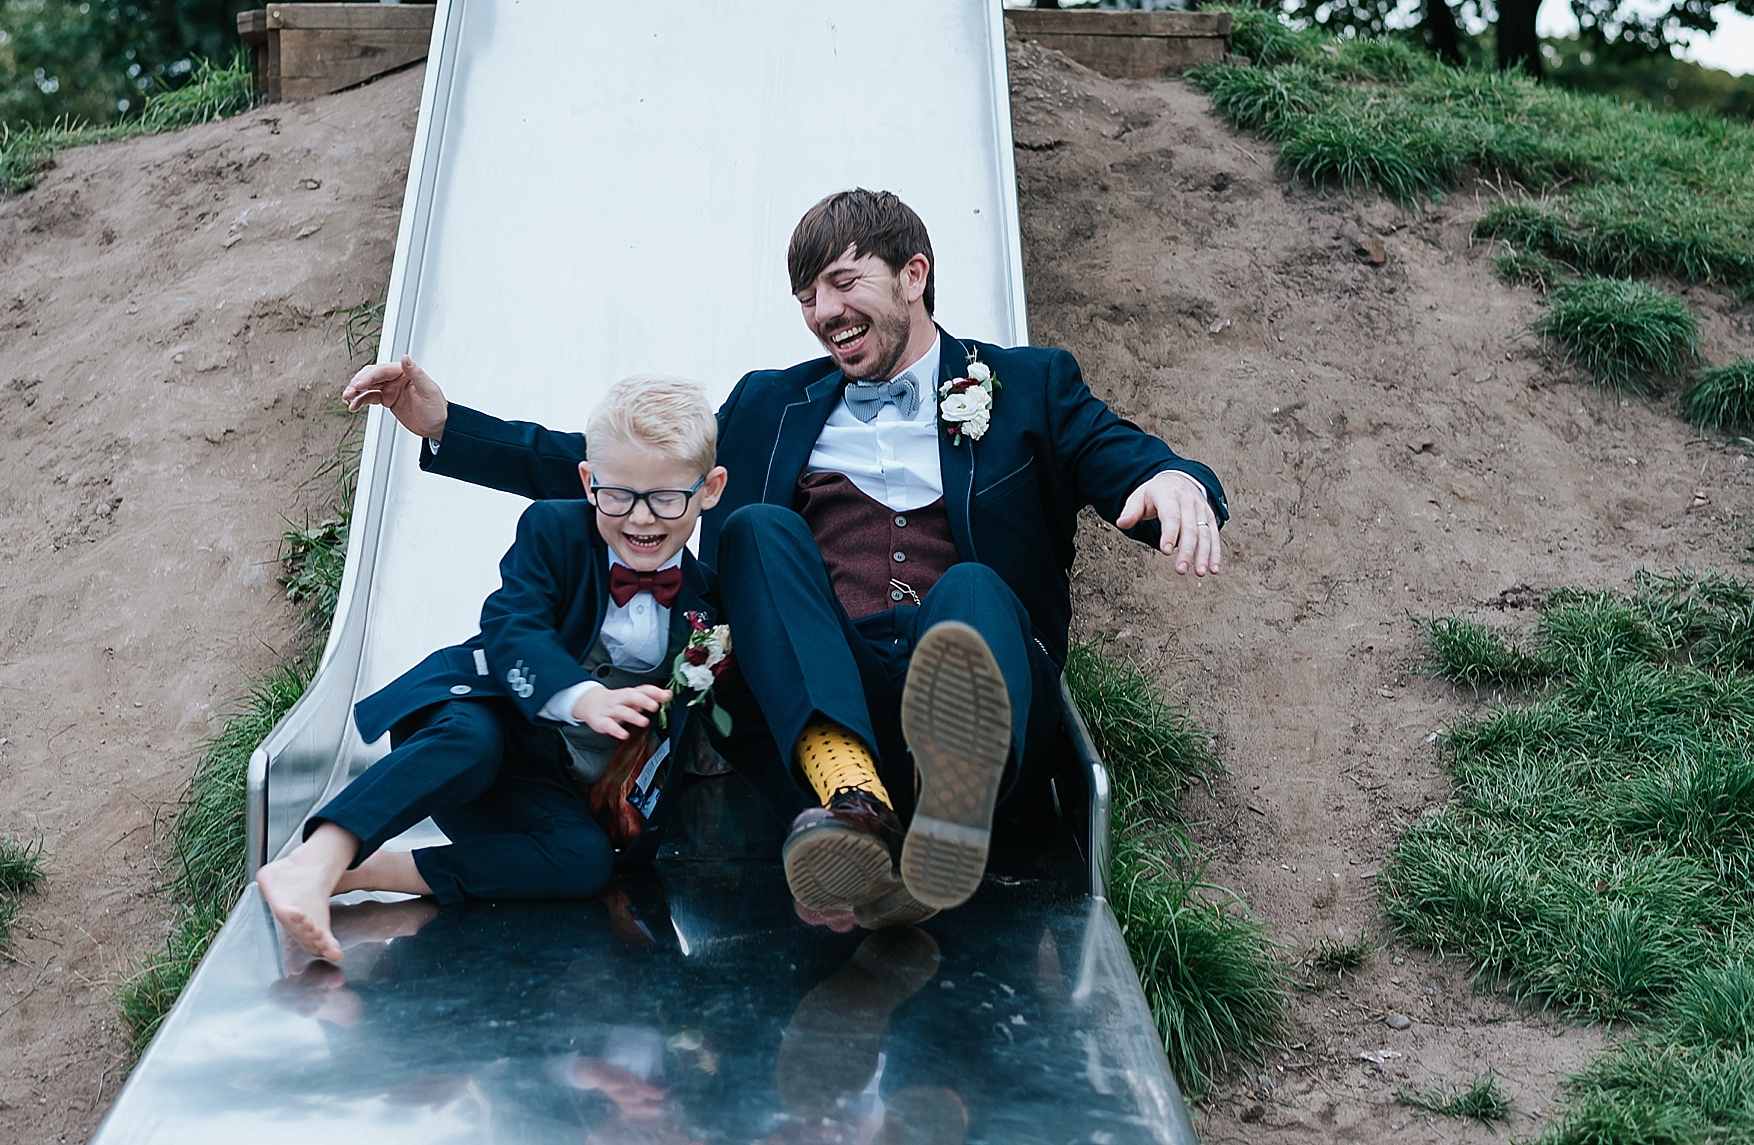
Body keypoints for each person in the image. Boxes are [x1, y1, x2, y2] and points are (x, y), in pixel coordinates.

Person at [342, 189, 1226, 929]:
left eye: (843, 281)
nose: (823, 312)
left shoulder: (1030, 385)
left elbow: (1123, 454)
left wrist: (1174, 480)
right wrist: (449, 427)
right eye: (807, 294)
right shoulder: (776, 402)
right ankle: (856, 805)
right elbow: (636, 465)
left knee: (971, 587)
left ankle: (953, 804)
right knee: (759, 532)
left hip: (984, 694)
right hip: (833, 692)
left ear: (914, 274)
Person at [256, 375, 729, 962]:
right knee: (472, 742)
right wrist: (580, 696)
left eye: (666, 498)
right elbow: (514, 631)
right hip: (472, 718)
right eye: (619, 495)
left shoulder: (705, 604)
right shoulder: (555, 530)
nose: (641, 518)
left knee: (582, 862)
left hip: (541, 779)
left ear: (709, 490)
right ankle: (317, 855)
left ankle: (374, 871)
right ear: (588, 482)